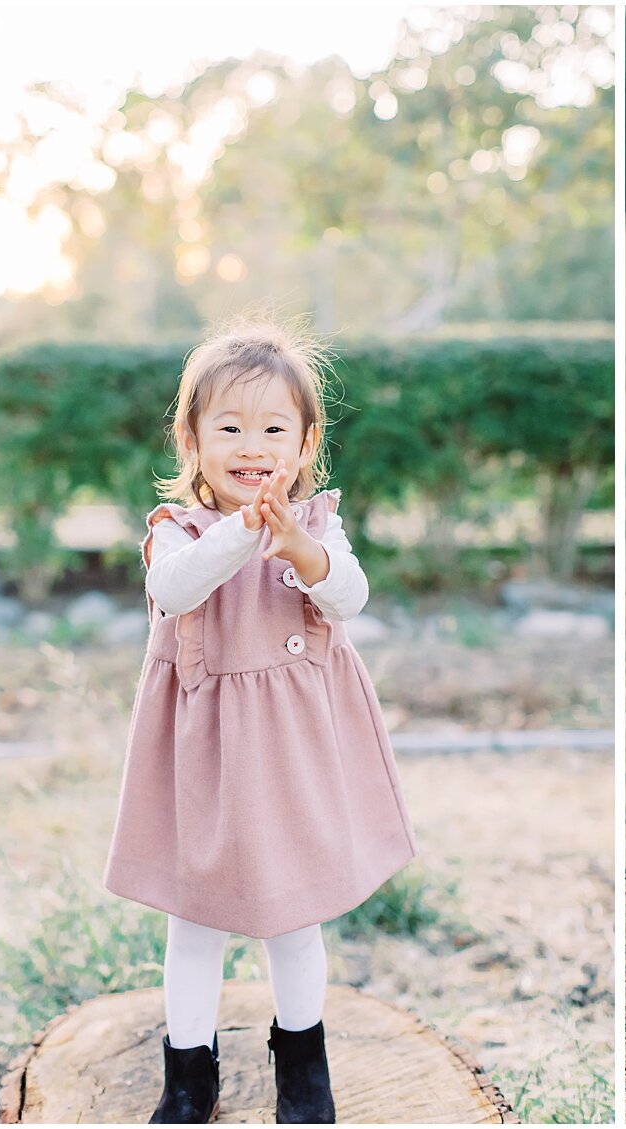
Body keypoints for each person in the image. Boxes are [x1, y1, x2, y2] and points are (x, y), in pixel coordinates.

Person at [104, 321, 417, 1124]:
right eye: (230, 427)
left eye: (273, 428)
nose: (253, 445)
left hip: (294, 753)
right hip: (203, 758)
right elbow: (176, 590)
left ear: (305, 442)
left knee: (295, 915)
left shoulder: (315, 527)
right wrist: (245, 531)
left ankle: (302, 1064)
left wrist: (294, 545)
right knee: (196, 921)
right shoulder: (178, 530)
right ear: (192, 438)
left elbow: (348, 596)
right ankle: (188, 1071)